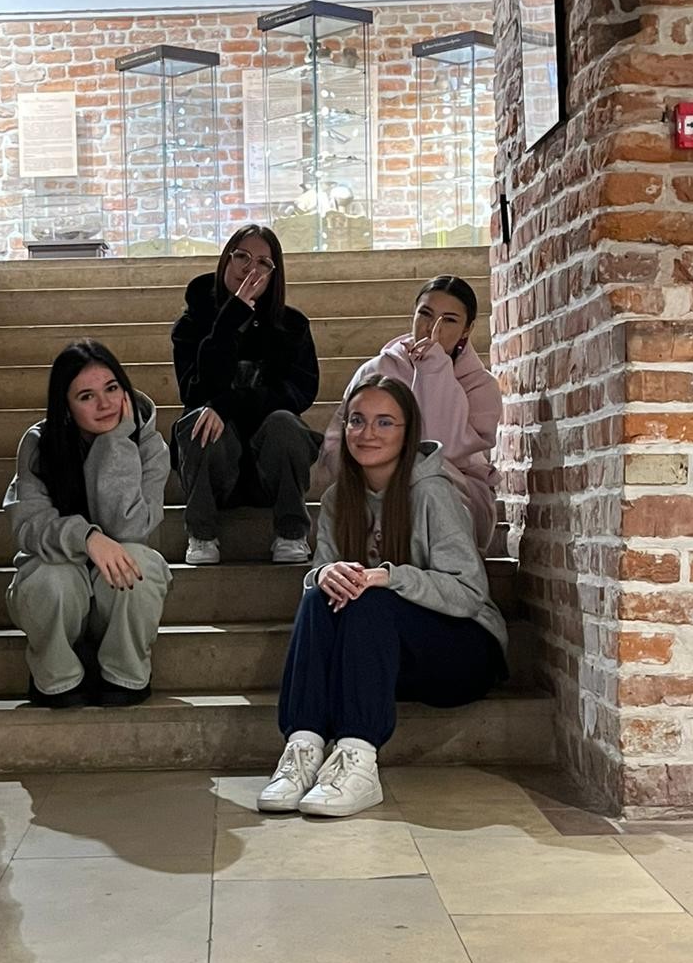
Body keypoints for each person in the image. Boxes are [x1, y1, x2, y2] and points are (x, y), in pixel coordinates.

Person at [261, 376, 509, 818]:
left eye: (384, 422)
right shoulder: (338, 499)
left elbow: (470, 593)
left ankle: (358, 759)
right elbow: (324, 583)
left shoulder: (433, 492)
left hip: (462, 651)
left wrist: (389, 578)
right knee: (320, 593)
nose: (367, 433)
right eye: (357, 421)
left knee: (370, 597)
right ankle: (302, 747)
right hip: (380, 658)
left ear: (407, 431)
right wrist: (325, 574)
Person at [3, 339, 171, 708]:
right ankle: (57, 675)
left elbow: (131, 528)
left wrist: (116, 442)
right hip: (63, 598)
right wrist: (88, 538)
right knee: (50, 575)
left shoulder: (150, 447)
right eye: (86, 396)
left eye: (112, 388)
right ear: (65, 406)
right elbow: (29, 525)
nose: (105, 403)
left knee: (139, 563)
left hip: (118, 598)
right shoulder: (39, 444)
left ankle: (125, 674)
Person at [171, 223, 321, 566]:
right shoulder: (192, 325)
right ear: (226, 259)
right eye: (242, 256)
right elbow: (195, 391)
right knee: (199, 420)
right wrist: (230, 319)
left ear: (274, 274)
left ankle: (291, 532)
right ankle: (202, 533)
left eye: (263, 263)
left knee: (286, 423)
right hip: (215, 465)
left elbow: (297, 393)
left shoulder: (292, 327)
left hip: (270, 468)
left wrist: (229, 403)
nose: (250, 268)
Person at [318, 275, 502, 553]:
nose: (432, 327)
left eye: (449, 320)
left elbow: (438, 450)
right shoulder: (376, 370)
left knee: (427, 484)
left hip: (455, 493)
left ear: (467, 330)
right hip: (375, 486)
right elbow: (337, 441)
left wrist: (433, 369)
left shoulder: (481, 386)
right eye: (425, 314)